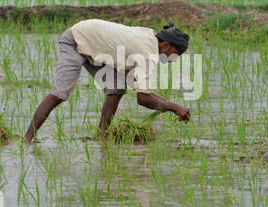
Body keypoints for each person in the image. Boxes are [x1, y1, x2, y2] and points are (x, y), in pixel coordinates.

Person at [25, 19, 191, 144]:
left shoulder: (149, 39)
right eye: (175, 54)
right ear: (165, 45)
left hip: (95, 48)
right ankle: (27, 140)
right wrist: (175, 107)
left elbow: (138, 85)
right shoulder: (148, 53)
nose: (174, 60)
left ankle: (101, 136)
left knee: (117, 88)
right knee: (59, 94)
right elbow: (142, 99)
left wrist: (165, 104)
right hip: (76, 41)